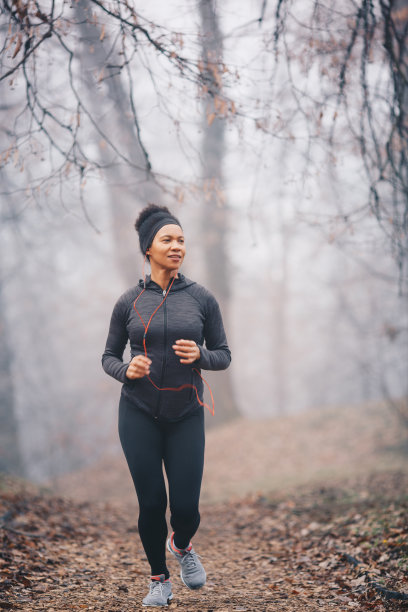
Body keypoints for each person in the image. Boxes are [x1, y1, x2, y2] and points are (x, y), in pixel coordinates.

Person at [102, 204, 231, 607]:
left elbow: (223, 354)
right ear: (148, 249)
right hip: (138, 413)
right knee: (152, 502)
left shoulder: (201, 298)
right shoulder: (129, 302)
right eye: (167, 240)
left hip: (185, 413)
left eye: (181, 240)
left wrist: (201, 356)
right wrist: (128, 370)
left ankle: (182, 544)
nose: (177, 247)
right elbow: (107, 356)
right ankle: (159, 579)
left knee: (187, 507)